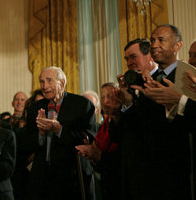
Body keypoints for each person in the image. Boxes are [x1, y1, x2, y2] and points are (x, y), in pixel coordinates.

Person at [113, 26, 192, 199]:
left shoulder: (188, 77)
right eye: (152, 40)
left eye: (161, 40)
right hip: (147, 175)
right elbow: (139, 128)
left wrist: (177, 101)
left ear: (177, 46)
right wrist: (127, 101)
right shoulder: (148, 81)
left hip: (177, 173)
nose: (154, 44)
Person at [22, 66, 97, 200]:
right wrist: (41, 134)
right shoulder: (34, 109)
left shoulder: (82, 105)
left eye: (49, 81)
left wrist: (59, 130)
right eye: (42, 81)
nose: (44, 86)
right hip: (42, 180)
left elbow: (88, 139)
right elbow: (26, 144)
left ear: (62, 83)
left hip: (73, 177)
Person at [76, 82, 122, 200]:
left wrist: (98, 155)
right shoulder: (106, 124)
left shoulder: (123, 121)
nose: (106, 100)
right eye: (103, 97)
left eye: (110, 96)